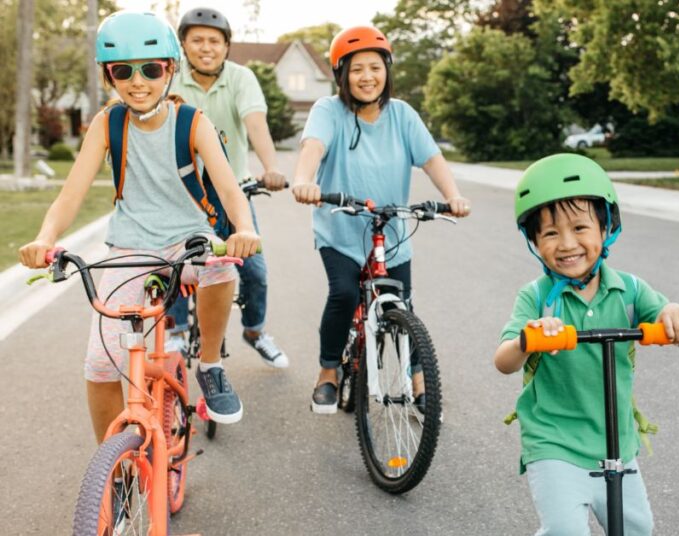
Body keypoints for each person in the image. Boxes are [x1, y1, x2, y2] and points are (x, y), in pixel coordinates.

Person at [18, 10, 259, 438]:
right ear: (108, 76)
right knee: (99, 363)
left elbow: (229, 190)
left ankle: (211, 365)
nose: (137, 81)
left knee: (220, 265)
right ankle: (115, 469)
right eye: (122, 71)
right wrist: (44, 238)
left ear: (169, 69)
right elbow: (70, 195)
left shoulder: (194, 123)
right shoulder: (107, 124)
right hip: (130, 248)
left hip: (189, 238)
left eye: (150, 69)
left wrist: (243, 229)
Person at [492, 153, 679, 535]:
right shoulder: (537, 298)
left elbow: (670, 324)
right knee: (566, 531)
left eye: (580, 227)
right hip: (554, 441)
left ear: (606, 229)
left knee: (637, 529)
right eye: (550, 233)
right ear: (534, 241)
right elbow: (504, 361)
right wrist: (529, 337)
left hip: (617, 442)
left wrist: (675, 314)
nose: (567, 244)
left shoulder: (630, 291)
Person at [291, 26, 470, 414]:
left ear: (387, 71)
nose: (367, 77)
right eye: (357, 69)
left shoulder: (402, 114)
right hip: (339, 227)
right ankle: (327, 373)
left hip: (391, 233)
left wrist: (452, 195)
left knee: (400, 306)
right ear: (342, 75)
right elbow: (313, 146)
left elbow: (432, 159)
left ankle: (422, 383)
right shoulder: (328, 111)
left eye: (375, 67)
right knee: (343, 294)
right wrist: (304, 180)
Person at [165, 6, 289, 368]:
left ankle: (254, 331)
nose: (206, 47)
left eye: (214, 41)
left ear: (226, 46)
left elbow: (255, 124)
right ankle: (175, 331)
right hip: (179, 190)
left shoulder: (240, 78)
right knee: (175, 264)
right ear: (183, 45)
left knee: (254, 271)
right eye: (197, 40)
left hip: (231, 190)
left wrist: (270, 168)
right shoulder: (170, 78)